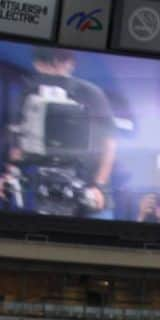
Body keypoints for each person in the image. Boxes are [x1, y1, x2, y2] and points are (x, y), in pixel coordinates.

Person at [19, 47, 116, 217]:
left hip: (86, 187)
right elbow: (17, 136)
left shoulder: (91, 94)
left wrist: (98, 185)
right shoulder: (28, 93)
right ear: (37, 64)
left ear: (69, 64)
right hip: (38, 186)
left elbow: (109, 143)